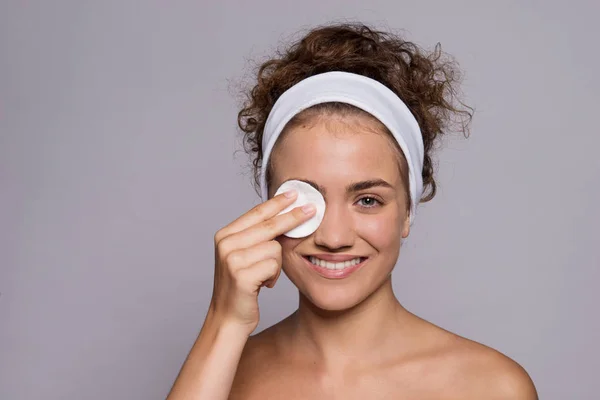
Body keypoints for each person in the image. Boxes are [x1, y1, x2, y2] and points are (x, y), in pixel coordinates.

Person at [166, 22, 538, 399]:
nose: (334, 237)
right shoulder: (221, 376)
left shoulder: (490, 387)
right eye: (308, 200)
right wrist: (224, 322)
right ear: (268, 208)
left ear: (408, 210)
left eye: (367, 201)